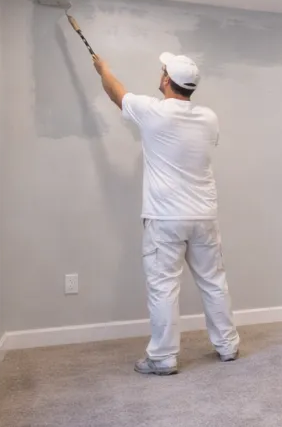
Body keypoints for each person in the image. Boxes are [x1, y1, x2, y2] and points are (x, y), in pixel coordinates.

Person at [91, 51, 240, 375]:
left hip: (166, 219)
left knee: (163, 287)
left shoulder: (153, 111)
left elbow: (116, 91)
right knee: (214, 283)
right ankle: (227, 346)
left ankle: (162, 357)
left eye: (162, 71)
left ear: (166, 80)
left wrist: (103, 68)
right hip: (203, 217)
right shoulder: (209, 118)